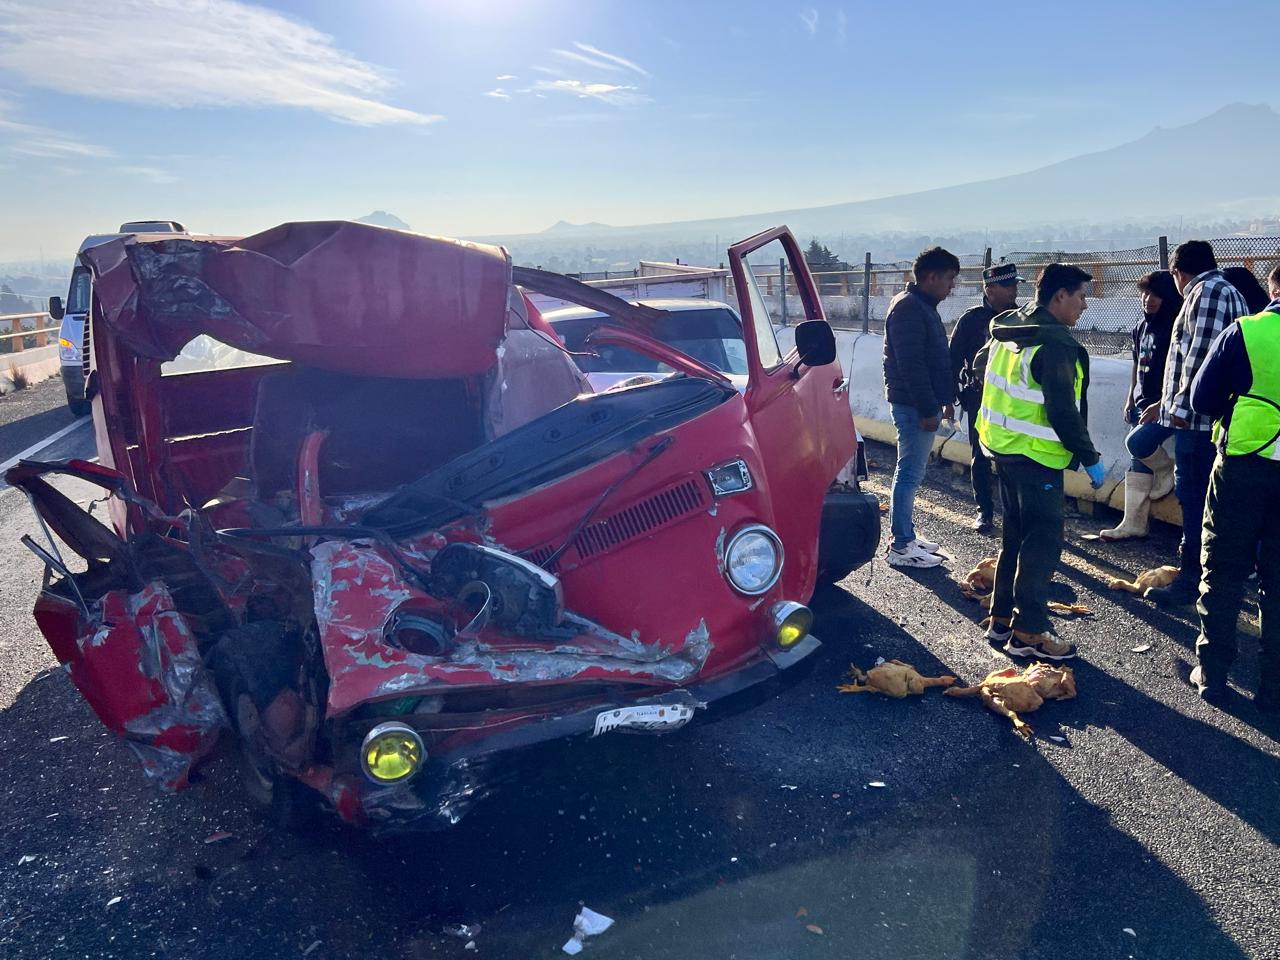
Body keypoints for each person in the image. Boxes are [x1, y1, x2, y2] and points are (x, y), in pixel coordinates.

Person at [977, 264, 1104, 660]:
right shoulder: (1056, 344)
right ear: (1060, 296)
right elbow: (1063, 410)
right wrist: (1089, 457)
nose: (1084, 306)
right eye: (1080, 297)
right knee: (1043, 541)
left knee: (1015, 535)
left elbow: (981, 366)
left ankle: (1001, 619)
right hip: (1036, 456)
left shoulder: (1010, 326)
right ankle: (1029, 632)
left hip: (1001, 447)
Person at [1186, 264, 1280, 711]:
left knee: (1222, 570)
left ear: (1273, 289)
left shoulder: (1246, 331)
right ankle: (1274, 688)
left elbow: (1201, 399)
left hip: (1243, 465)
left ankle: (1213, 673)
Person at [1142, 241, 1248, 606]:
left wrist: (1180, 409)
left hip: (1198, 423)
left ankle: (1191, 581)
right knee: (1208, 502)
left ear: (1178, 273)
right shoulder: (1227, 291)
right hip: (1210, 420)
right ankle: (1211, 580)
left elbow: (1199, 360)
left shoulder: (1206, 293)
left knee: (1194, 500)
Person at [883, 246, 960, 568]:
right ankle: (901, 545)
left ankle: (906, 535)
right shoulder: (910, 308)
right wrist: (929, 408)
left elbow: (931, 361)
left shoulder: (920, 305)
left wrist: (944, 401)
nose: (952, 286)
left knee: (911, 473)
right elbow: (911, 365)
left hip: (919, 403)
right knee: (909, 474)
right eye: (949, 278)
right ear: (931, 277)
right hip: (913, 405)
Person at [1099, 270, 1182, 539]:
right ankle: (1133, 523)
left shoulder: (1176, 327)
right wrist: (1129, 398)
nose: (1148, 299)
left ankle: (1166, 470)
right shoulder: (1140, 327)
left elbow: (1180, 371)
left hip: (1166, 404)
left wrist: (1161, 402)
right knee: (1138, 462)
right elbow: (1136, 365)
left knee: (1137, 443)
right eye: (1145, 293)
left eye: (1156, 294)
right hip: (1141, 402)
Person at [950, 261, 1023, 533]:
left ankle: (1015, 514)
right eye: (1007, 285)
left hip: (1015, 401)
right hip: (980, 398)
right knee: (980, 456)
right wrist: (949, 398)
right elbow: (953, 359)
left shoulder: (1022, 318)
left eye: (1015, 284)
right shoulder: (971, 320)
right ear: (990, 289)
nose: (1014, 290)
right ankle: (984, 511)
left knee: (1012, 458)